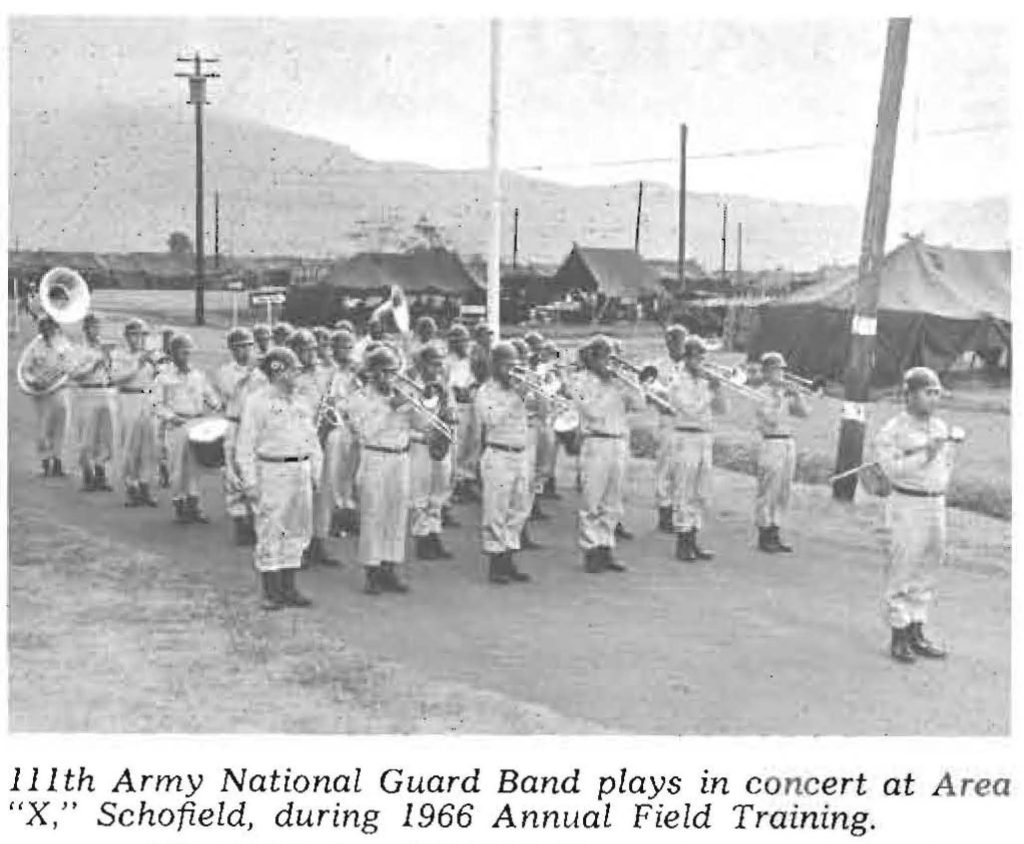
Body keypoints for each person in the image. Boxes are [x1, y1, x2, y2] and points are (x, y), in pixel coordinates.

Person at [872, 366, 957, 664]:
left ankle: (917, 630)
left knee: (929, 566)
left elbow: (947, 463)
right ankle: (899, 634)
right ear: (909, 395)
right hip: (908, 504)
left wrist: (938, 471)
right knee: (903, 566)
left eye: (936, 392)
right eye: (927, 392)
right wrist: (926, 454)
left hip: (935, 503)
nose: (934, 398)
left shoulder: (940, 426)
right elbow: (892, 470)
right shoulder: (893, 431)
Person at [235, 347, 319, 611]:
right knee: (272, 528)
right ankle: (271, 590)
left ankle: (289, 586)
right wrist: (250, 481)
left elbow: (312, 439)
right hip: (273, 470)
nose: (297, 375)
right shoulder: (257, 401)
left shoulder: (300, 402)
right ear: (278, 370)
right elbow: (245, 444)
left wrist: (315, 470)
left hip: (300, 469)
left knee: (297, 528)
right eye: (293, 370)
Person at [564, 335, 648, 573]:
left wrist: (631, 383)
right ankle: (591, 550)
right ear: (594, 358)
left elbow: (640, 405)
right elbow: (591, 411)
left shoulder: (618, 382)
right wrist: (609, 385)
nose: (611, 363)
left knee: (613, 500)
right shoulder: (579, 381)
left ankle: (606, 547)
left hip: (618, 442)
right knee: (593, 499)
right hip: (596, 442)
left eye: (613, 358)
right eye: (606, 358)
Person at [348, 347, 419, 595]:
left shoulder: (402, 394)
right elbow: (366, 431)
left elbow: (415, 425)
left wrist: (422, 411)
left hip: (400, 458)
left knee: (397, 515)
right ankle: (371, 572)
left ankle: (390, 568)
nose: (391, 378)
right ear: (372, 372)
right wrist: (390, 408)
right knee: (373, 515)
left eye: (393, 372)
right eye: (386, 372)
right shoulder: (359, 398)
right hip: (375, 457)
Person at [475, 341, 532, 584]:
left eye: (516, 364)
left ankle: (509, 557)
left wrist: (538, 393)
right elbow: (491, 419)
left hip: (521, 454)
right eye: (508, 365)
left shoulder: (517, 388)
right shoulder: (486, 391)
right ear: (496, 365)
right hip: (498, 454)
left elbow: (543, 410)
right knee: (496, 510)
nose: (513, 370)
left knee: (519, 509)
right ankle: (496, 563)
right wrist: (514, 397)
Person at [665, 336, 727, 562]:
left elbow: (722, 410)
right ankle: (682, 542)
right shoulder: (677, 380)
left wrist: (718, 389)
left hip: (703, 438)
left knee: (700, 491)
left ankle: (693, 539)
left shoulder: (703, 380)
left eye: (704, 357)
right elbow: (690, 409)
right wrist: (709, 391)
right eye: (699, 357)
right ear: (688, 357)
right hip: (685, 436)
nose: (702, 361)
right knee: (684, 490)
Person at [155, 333, 222, 524]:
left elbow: (209, 395)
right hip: (177, 423)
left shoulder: (197, 375)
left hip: (196, 422)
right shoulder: (163, 377)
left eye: (188, 352)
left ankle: (194, 505)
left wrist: (217, 405)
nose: (186, 356)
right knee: (177, 467)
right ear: (173, 353)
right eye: (182, 352)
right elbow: (156, 403)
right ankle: (179, 504)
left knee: (195, 467)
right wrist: (170, 416)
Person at [288, 329, 340, 567]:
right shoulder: (290, 377)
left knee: (325, 493)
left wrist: (332, 413)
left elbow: (335, 400)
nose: (311, 353)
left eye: (312, 348)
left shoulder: (326, 372)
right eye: (305, 349)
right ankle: (299, 546)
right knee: (301, 496)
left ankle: (319, 541)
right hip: (300, 440)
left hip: (325, 437)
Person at [753, 352, 810, 553]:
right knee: (768, 491)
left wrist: (798, 395)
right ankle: (764, 533)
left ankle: (775, 532)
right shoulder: (762, 393)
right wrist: (781, 397)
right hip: (771, 443)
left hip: (788, 443)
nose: (781, 374)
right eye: (777, 370)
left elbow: (804, 414)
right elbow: (771, 420)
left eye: (782, 370)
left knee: (784, 492)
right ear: (767, 371)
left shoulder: (784, 393)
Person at [216, 327, 266, 545]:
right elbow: (230, 391)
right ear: (231, 350)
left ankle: (255, 520)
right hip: (235, 423)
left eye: (247, 346)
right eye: (238, 347)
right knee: (233, 471)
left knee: (255, 470)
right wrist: (249, 374)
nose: (243, 351)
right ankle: (239, 520)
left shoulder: (261, 373)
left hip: (255, 426)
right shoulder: (226, 371)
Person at [406, 344, 456, 560]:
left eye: (440, 363)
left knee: (438, 493)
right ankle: (421, 539)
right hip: (419, 446)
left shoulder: (443, 385)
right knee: (420, 495)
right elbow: (400, 424)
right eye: (434, 363)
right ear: (422, 363)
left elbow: (451, 413)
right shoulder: (410, 387)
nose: (439, 367)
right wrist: (420, 436)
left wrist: (447, 405)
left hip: (440, 445)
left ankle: (434, 535)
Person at [109, 318, 160, 507]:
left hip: (147, 399)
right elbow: (116, 378)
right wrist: (138, 364)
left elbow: (160, 377)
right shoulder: (119, 355)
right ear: (127, 337)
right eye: (133, 335)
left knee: (149, 445)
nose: (137, 339)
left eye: (141, 335)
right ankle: (132, 486)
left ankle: (145, 485)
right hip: (128, 398)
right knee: (130, 444)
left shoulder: (151, 355)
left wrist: (155, 365)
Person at [68, 313, 118, 492]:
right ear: (85, 329)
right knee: (87, 437)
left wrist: (108, 360)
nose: (95, 330)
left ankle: (101, 473)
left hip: (103, 392)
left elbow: (112, 374)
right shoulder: (77, 350)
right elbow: (74, 374)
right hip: (86, 392)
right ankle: (87, 475)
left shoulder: (102, 347)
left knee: (105, 436)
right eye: (92, 327)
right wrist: (94, 364)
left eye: (97, 327)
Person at [21, 315, 72, 477]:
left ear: (54, 326)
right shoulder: (34, 347)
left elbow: (70, 364)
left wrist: (59, 376)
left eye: (48, 326)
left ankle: (58, 461)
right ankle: (45, 463)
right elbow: (25, 369)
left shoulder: (63, 343)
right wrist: (34, 381)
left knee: (61, 427)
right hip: (42, 394)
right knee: (43, 429)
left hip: (60, 390)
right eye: (42, 326)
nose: (45, 329)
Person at [324, 328, 363, 536]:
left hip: (353, 426)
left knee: (351, 472)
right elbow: (330, 400)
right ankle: (334, 515)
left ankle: (349, 511)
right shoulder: (328, 371)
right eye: (343, 348)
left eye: (350, 347)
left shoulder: (355, 371)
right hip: (335, 426)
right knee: (334, 472)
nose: (347, 352)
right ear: (334, 349)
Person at [655, 324, 689, 532]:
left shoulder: (693, 367)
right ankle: (664, 512)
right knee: (666, 468)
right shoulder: (658, 367)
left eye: (680, 341)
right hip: (668, 421)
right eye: (672, 341)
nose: (676, 345)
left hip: (687, 423)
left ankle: (680, 512)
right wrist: (665, 402)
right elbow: (651, 395)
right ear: (667, 343)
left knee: (684, 469)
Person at [446, 323, 478, 503]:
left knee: (473, 443)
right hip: (455, 405)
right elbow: (447, 384)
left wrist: (472, 388)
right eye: (457, 341)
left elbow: (474, 380)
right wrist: (457, 391)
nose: (462, 343)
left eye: (464, 340)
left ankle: (467, 479)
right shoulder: (447, 360)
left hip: (471, 403)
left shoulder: (469, 360)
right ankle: (455, 484)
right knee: (457, 445)